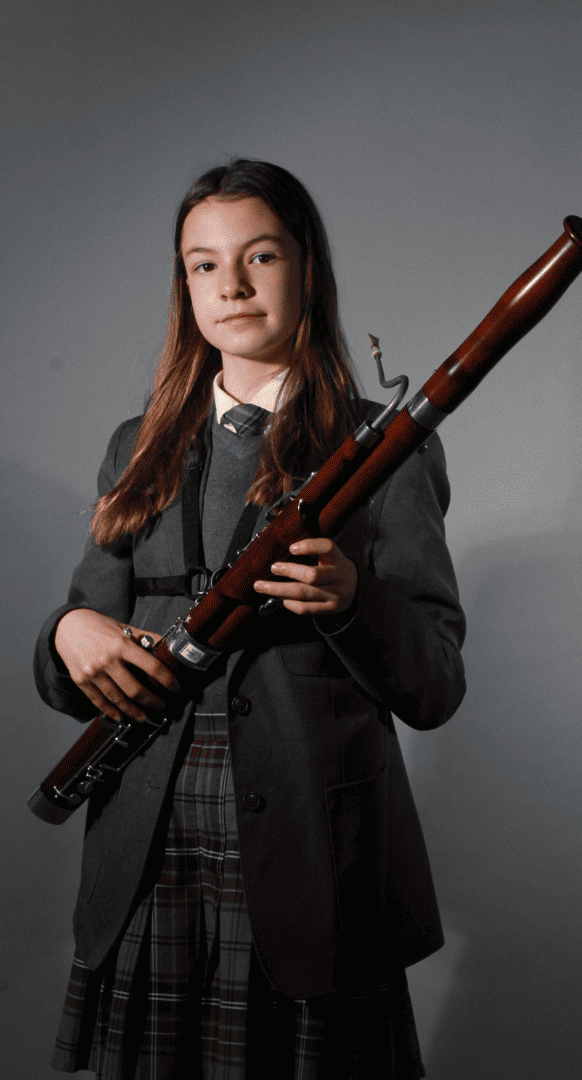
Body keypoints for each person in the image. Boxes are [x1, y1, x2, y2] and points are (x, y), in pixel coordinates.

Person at [34, 159, 463, 1077]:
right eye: (203, 264)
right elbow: (85, 626)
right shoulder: (138, 441)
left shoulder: (379, 450)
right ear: (184, 285)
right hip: (148, 843)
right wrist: (67, 637)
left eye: (260, 256)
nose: (230, 285)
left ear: (306, 269)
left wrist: (354, 600)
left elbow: (435, 681)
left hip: (313, 859)